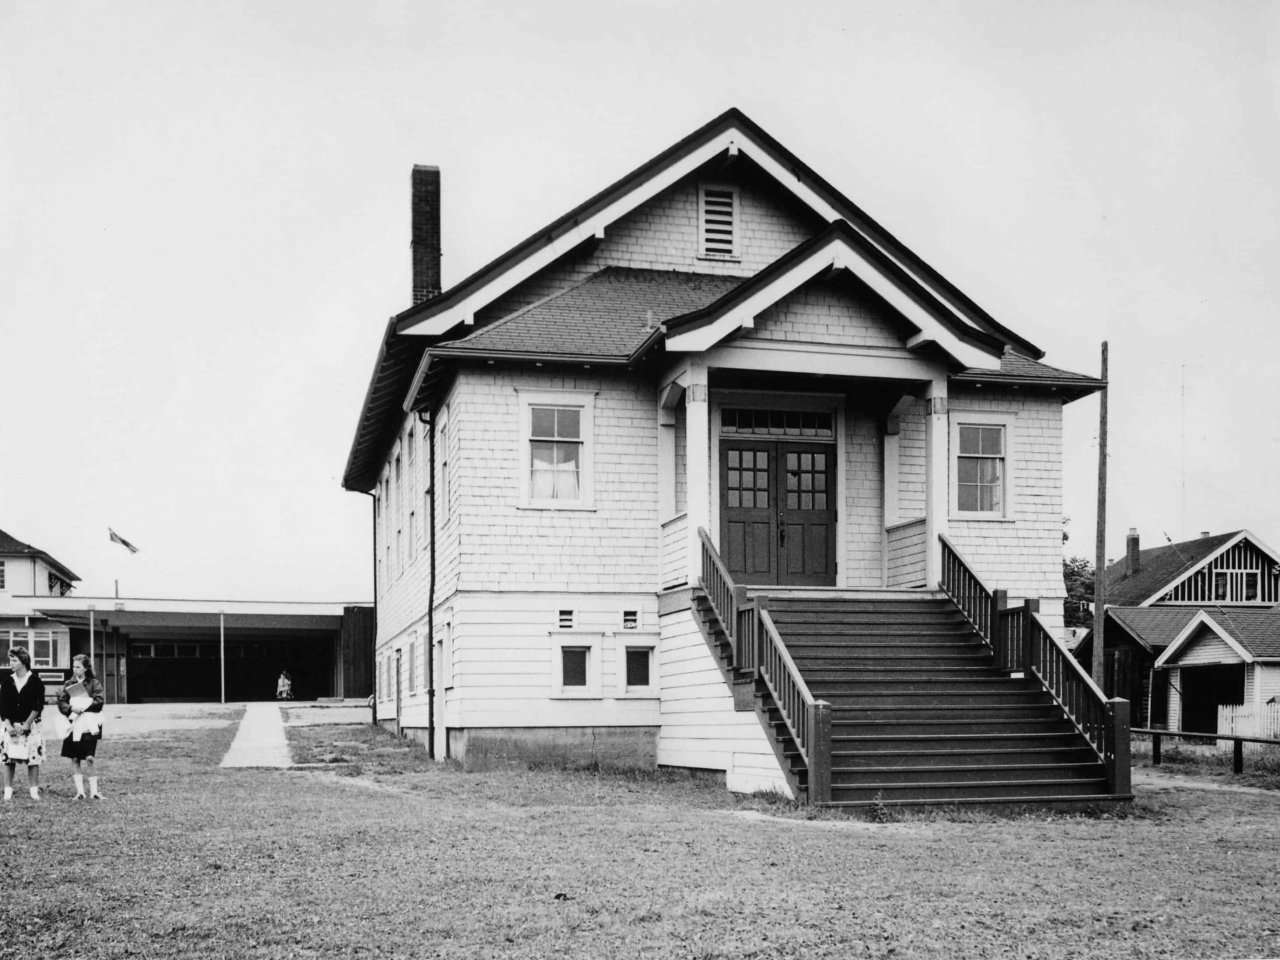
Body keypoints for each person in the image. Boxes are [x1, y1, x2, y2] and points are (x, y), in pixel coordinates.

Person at [1, 647, 46, 801]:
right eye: (10, 659)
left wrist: (27, 723)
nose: (10, 663)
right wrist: (8, 725)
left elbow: (38, 705)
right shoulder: (7, 681)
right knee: (8, 758)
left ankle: (33, 789)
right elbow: (3, 706)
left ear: (24, 661)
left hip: (30, 725)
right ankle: (8, 789)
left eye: (14, 660)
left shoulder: (35, 681)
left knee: (32, 758)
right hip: (11, 724)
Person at [57, 654, 105, 800]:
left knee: (89, 757)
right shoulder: (68, 684)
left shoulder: (94, 683)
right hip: (75, 723)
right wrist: (71, 708)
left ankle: (94, 791)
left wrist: (83, 706)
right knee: (75, 758)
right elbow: (62, 702)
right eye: (73, 666)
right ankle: (80, 791)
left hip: (89, 723)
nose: (75, 669)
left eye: (78, 667)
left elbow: (99, 701)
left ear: (85, 668)